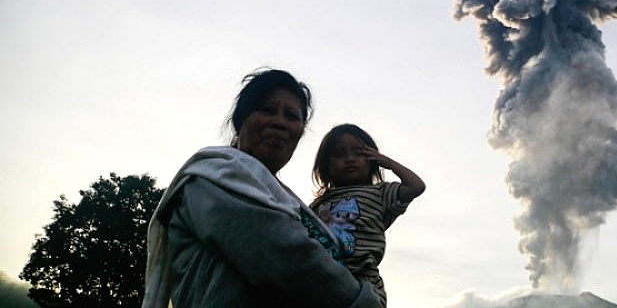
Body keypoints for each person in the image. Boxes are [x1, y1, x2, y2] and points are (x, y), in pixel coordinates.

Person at [142, 69, 380, 308]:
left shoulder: (289, 202)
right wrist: (362, 301)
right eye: (267, 110)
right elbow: (286, 257)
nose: (280, 123)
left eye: (291, 116)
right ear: (241, 120)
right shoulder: (210, 179)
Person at [310, 124, 426, 308]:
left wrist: (388, 162)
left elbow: (416, 186)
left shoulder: (380, 193)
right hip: (323, 281)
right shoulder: (316, 205)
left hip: (363, 283)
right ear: (326, 166)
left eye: (359, 153)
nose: (350, 159)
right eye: (339, 154)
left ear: (372, 160)